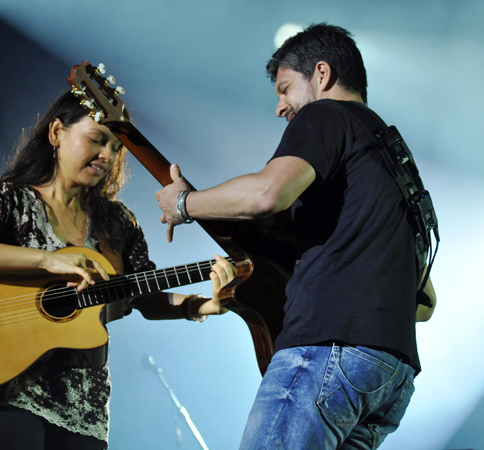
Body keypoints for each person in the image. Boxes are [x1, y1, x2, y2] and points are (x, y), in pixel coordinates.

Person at [156, 23, 437, 450]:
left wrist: (184, 204)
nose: (281, 107)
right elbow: (425, 303)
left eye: (286, 89)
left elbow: (269, 193)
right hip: (391, 373)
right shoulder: (395, 161)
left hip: (328, 354)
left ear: (321, 75)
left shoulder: (326, 115)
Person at [0, 89, 233, 450]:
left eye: (116, 147)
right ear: (56, 133)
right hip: (8, 388)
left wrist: (200, 306)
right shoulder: (9, 198)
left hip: (84, 407)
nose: (108, 155)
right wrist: (49, 259)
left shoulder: (118, 222)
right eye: (97, 140)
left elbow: (143, 296)